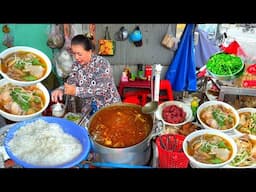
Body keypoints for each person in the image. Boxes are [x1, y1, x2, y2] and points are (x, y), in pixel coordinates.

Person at [51, 33, 121, 115]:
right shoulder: (76, 65)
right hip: (89, 109)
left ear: (90, 51)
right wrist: (62, 89)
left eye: (79, 54)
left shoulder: (102, 64)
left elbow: (102, 89)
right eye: (74, 53)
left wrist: (76, 91)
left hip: (108, 107)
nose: (76, 57)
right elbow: (71, 82)